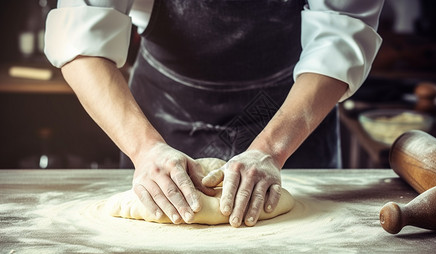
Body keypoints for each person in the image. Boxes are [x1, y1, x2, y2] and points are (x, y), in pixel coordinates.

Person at [44, 0, 384, 227]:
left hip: (291, 107)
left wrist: (272, 148)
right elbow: (81, 42)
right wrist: (145, 148)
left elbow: (343, 33)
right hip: (164, 106)